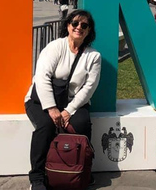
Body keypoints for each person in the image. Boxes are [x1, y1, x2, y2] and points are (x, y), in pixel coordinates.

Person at [24, 10, 101, 190]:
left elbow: (89, 88)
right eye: (75, 23)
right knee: (46, 126)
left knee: (82, 123)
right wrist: (52, 109)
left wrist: (68, 111)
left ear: (89, 30)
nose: (79, 28)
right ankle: (37, 176)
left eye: (84, 25)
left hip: (72, 103)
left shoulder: (94, 56)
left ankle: (81, 169)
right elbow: (41, 77)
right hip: (41, 100)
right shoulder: (55, 47)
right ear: (67, 25)